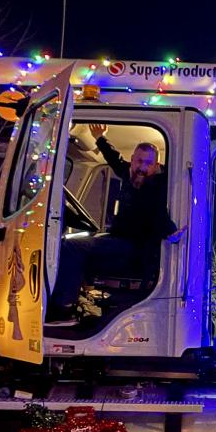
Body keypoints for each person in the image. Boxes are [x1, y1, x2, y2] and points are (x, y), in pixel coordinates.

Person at [49, 125, 183, 323]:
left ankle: (63, 308)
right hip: (117, 239)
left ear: (156, 165)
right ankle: (72, 297)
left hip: (134, 248)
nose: (143, 167)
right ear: (133, 160)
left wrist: (170, 232)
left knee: (72, 246)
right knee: (72, 241)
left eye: (148, 163)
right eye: (139, 161)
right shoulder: (131, 175)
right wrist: (99, 138)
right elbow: (114, 159)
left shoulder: (156, 185)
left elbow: (158, 213)